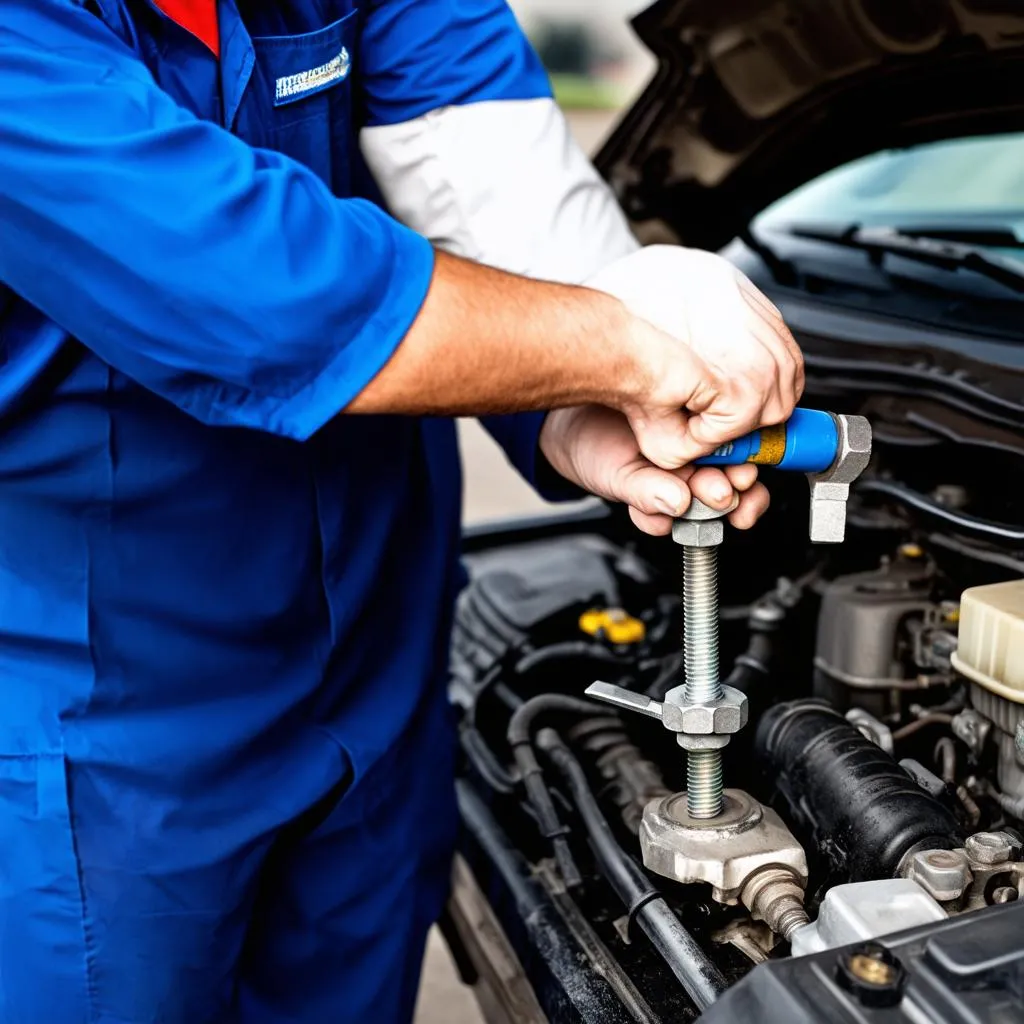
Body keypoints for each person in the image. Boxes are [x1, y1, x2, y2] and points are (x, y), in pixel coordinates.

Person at [0, 1, 803, 1021]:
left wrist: (590, 401)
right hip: (97, 726)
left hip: (374, 674)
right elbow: (252, 286)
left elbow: (486, 163)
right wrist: (624, 343)